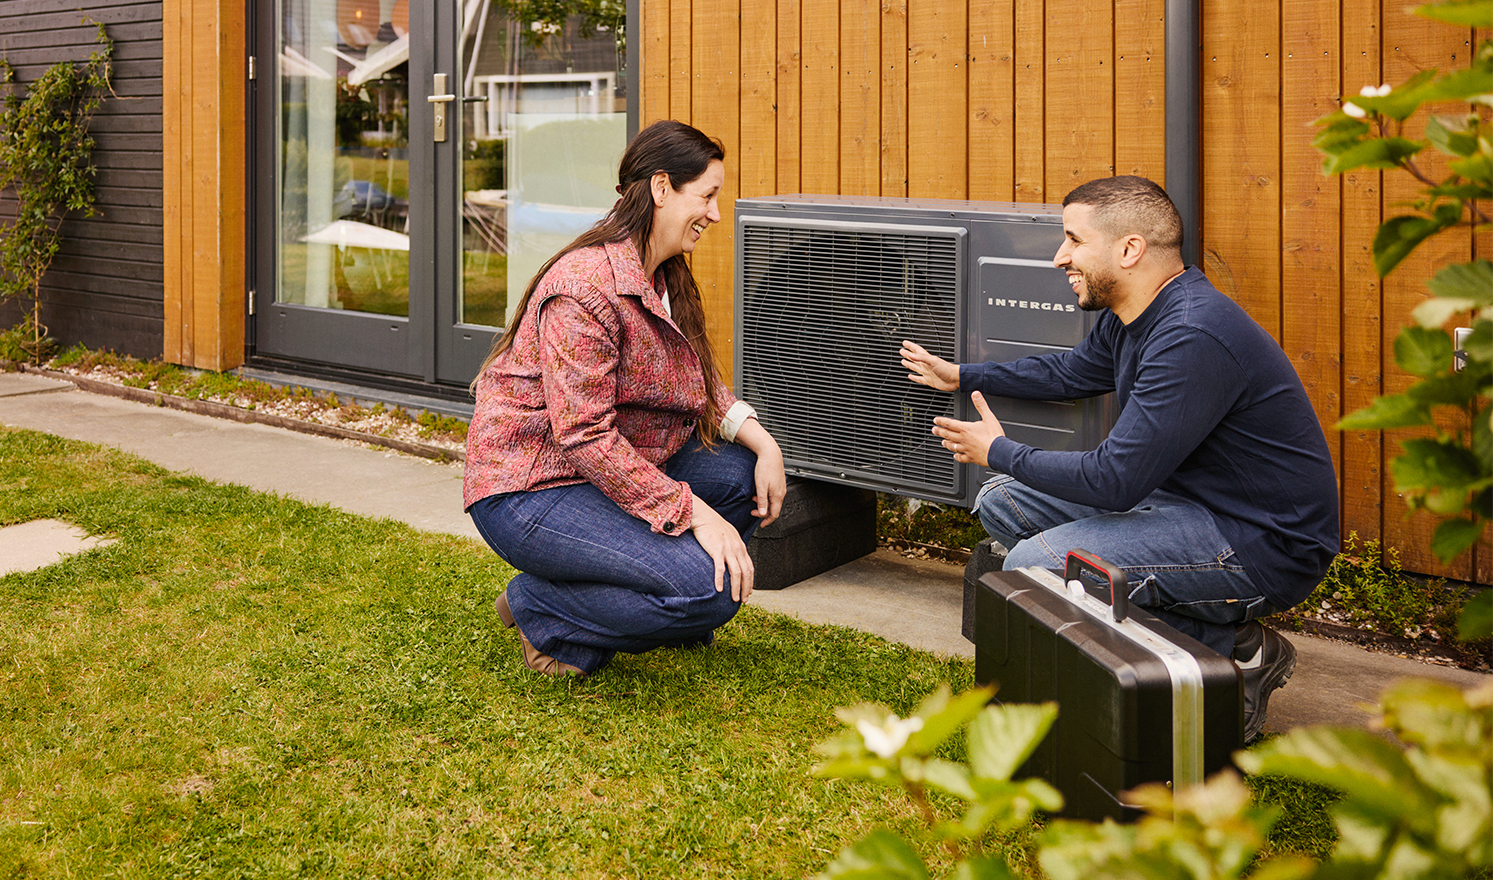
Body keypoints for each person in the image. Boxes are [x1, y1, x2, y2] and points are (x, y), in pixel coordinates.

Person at [900, 175, 1338, 741]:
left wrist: (1000, 449)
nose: (1060, 257)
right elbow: (1073, 372)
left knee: (1038, 561)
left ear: (1129, 249)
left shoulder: (1189, 335)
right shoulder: (1133, 313)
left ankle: (1230, 659)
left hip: (1262, 540)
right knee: (1003, 502)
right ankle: (1238, 641)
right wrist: (962, 374)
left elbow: (1114, 481)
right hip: (1187, 504)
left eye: (1074, 240)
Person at [464, 120, 786, 678]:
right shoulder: (583, 289)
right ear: (662, 188)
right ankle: (539, 604)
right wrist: (693, 514)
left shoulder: (664, 274)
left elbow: (698, 380)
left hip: (609, 469)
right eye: (706, 196)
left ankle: (620, 602)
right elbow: (583, 435)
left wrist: (765, 444)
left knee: (741, 476)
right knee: (708, 593)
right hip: (531, 489)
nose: (714, 213)